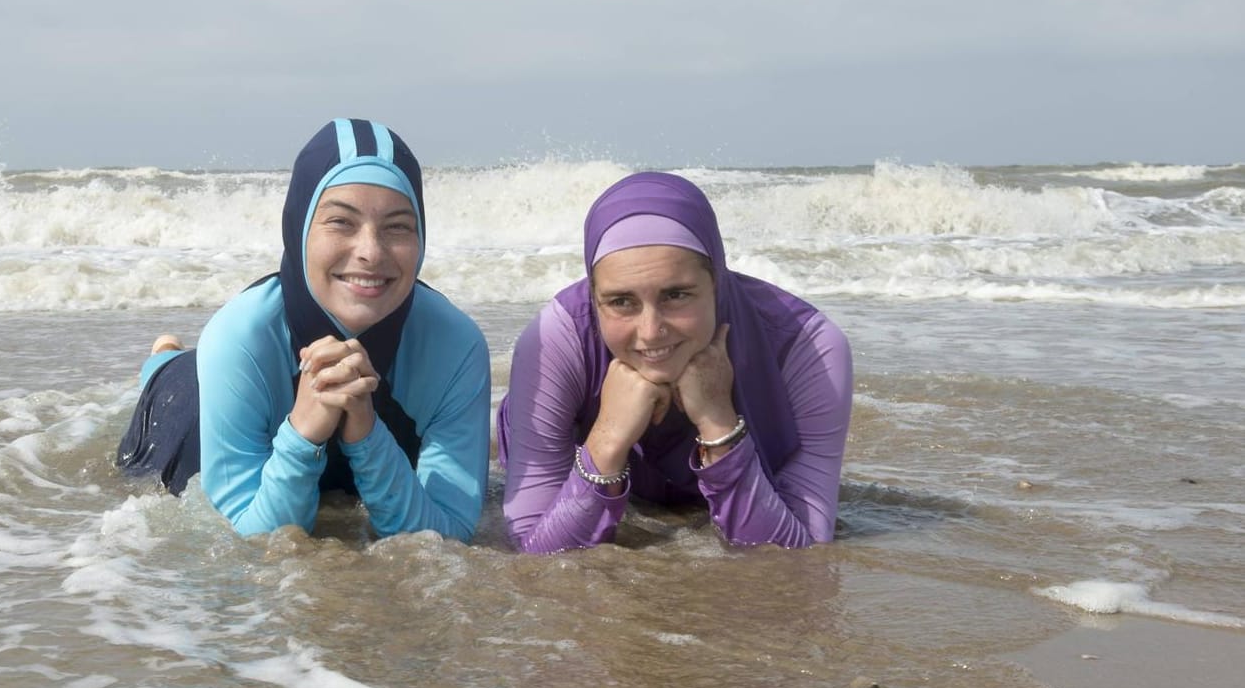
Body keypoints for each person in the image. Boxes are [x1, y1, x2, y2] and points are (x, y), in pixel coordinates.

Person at [117, 118, 490, 541]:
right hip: (192, 394)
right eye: (341, 222)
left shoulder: (456, 347)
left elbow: (449, 535)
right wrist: (303, 432)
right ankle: (163, 356)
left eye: (398, 227)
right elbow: (255, 542)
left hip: (354, 427)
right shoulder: (240, 336)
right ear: (298, 229)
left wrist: (366, 432)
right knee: (175, 396)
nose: (370, 252)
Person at [496, 171, 851, 552]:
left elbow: (798, 561)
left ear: (717, 283)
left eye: (676, 295)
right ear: (594, 296)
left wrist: (719, 423)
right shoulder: (556, 336)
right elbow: (536, 557)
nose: (650, 332)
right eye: (620, 302)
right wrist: (607, 439)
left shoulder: (809, 346)